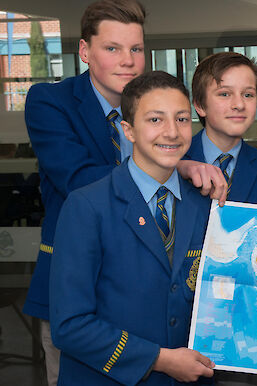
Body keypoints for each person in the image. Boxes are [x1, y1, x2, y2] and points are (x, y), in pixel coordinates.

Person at [24, 2, 225, 383]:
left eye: (136, 49)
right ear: (85, 51)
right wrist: (172, 165)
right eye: (112, 48)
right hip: (82, 286)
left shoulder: (165, 109)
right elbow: (76, 178)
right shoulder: (51, 101)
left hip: (163, 310)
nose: (128, 61)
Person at [49, 71, 215, 385]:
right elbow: (69, 325)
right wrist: (160, 359)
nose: (171, 132)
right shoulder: (87, 206)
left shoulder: (205, 205)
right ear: (128, 130)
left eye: (181, 119)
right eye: (155, 120)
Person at [186, 51, 257, 205]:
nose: (239, 105)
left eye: (248, 95)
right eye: (224, 94)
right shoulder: (175, 161)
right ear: (199, 105)